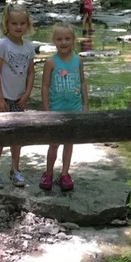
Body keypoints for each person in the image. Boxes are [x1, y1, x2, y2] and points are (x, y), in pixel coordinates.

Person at [0, 2, 36, 189]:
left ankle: (15, 169)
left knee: (17, 135)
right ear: (6, 24)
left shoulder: (29, 47)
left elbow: (31, 72)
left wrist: (27, 93)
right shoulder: (2, 45)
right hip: (3, 98)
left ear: (27, 25)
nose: (18, 27)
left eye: (22, 23)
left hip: (19, 98)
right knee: (0, 135)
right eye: (14, 23)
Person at [40, 23, 88, 192]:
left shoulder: (78, 60)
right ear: (54, 41)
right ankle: (48, 172)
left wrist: (85, 104)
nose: (63, 42)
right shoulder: (51, 62)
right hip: (55, 110)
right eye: (59, 39)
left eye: (67, 38)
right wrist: (46, 109)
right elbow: (45, 86)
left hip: (74, 109)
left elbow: (82, 82)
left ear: (73, 40)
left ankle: (65, 173)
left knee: (69, 142)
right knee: (54, 143)